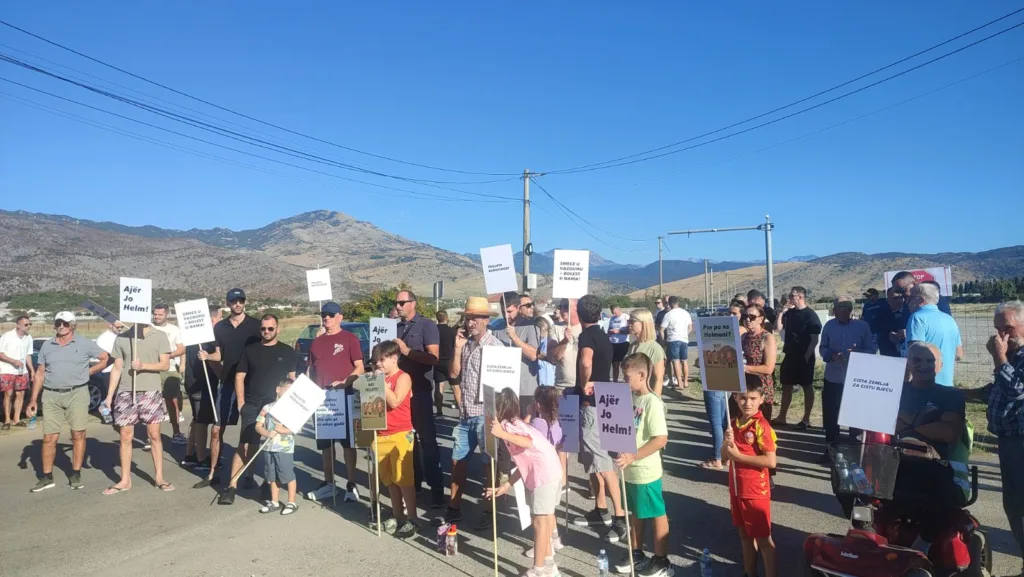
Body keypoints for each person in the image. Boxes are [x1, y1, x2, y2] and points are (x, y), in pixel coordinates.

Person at [434, 296, 502, 527]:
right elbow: (453, 374)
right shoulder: (465, 344)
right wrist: (457, 348)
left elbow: (504, 386)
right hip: (466, 415)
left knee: (488, 464)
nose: (469, 323)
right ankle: (454, 508)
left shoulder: (496, 347)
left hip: (486, 414)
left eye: (474, 319)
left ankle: (489, 510)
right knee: (457, 461)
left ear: (485, 320)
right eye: (467, 318)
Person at [893, 342, 967, 551]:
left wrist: (906, 421)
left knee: (945, 492)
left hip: (932, 462)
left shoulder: (951, 395)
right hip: (891, 458)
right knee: (848, 478)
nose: (923, 365)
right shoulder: (894, 389)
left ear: (940, 366)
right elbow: (878, 422)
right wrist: (928, 422)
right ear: (908, 363)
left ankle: (923, 544)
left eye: (930, 360)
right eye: (917, 360)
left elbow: (948, 433)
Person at [218, 314, 297, 505]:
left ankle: (268, 485)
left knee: (273, 448)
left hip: (277, 407)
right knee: (246, 444)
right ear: (259, 329)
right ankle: (232, 486)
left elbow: (292, 380)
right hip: (252, 405)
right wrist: (241, 403)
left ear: (278, 328)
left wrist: (292, 408)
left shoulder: (288, 352)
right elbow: (239, 376)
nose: (267, 332)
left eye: (271, 328)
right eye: (263, 329)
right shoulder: (250, 351)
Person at [26, 312, 109, 492]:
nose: (61, 326)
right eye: (58, 323)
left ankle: (75, 473)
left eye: (64, 323)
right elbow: (40, 373)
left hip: (77, 393)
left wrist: (89, 372)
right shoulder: (48, 345)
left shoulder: (85, 344)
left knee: (78, 434)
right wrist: (33, 399)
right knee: (49, 437)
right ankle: (47, 477)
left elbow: (105, 358)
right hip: (51, 395)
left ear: (72, 325)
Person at [486, 387, 563, 577]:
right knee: (542, 521)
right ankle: (549, 565)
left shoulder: (508, 427)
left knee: (539, 522)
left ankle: (538, 569)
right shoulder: (515, 424)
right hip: (545, 471)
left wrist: (501, 434)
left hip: (544, 474)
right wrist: (506, 486)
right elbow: (523, 462)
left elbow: (528, 443)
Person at [970, 300, 1024, 570]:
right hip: (1008, 440)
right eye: (998, 329)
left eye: (1009, 328)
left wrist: (998, 356)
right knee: (1014, 506)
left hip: (1021, 441)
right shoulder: (1013, 355)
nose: (1002, 336)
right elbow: (998, 390)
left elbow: (1016, 389)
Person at [572, 294, 627, 544]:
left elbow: (585, 361)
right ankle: (600, 508)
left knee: (603, 463)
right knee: (592, 461)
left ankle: (620, 517)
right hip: (606, 400)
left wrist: (584, 384)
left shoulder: (587, 336)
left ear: (579, 313)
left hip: (593, 405)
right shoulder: (603, 333)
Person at [612, 354, 672, 577]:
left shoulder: (652, 402)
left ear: (642, 375)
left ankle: (661, 560)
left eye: (626, 377)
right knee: (637, 513)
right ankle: (636, 552)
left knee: (657, 513)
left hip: (645, 470)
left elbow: (660, 439)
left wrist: (633, 456)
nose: (623, 381)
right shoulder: (631, 398)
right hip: (629, 470)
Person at [194, 288, 261, 489]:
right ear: (228, 304)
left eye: (241, 300)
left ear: (245, 302)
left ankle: (249, 475)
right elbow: (219, 355)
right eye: (234, 301)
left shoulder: (256, 326)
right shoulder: (221, 327)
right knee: (216, 430)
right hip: (228, 384)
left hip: (251, 384)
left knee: (250, 431)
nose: (237, 304)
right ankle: (212, 473)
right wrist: (207, 356)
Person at [103, 322, 174, 495]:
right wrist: (110, 395)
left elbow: (164, 364)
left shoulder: (159, 336)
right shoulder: (122, 337)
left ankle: (159, 478)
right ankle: (125, 480)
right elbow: (117, 367)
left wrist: (144, 366)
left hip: (151, 391)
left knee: (154, 435)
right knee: (125, 436)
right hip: (126, 391)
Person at [305, 302, 365, 503]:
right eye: (324, 314)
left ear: (340, 316)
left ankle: (351, 484)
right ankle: (329, 483)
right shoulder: (316, 342)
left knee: (348, 443)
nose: (327, 318)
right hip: (322, 400)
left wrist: (345, 382)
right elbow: (311, 370)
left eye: (331, 314)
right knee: (326, 444)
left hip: (344, 397)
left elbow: (359, 367)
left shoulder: (350, 339)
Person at [392, 290, 444, 507]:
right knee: (406, 441)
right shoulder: (395, 327)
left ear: (413, 303)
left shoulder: (426, 325)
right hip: (399, 395)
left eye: (402, 302)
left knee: (427, 441)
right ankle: (414, 485)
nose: (398, 306)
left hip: (420, 392)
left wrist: (407, 351)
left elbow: (433, 358)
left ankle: (437, 491)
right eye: (396, 303)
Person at [723, 377, 778, 577]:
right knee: (744, 535)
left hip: (755, 490)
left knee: (763, 539)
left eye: (753, 398)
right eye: (743, 398)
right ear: (736, 398)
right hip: (736, 488)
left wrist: (739, 456)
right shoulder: (733, 423)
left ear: (762, 398)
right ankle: (749, 572)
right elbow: (723, 456)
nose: (748, 403)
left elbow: (771, 462)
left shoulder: (761, 426)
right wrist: (726, 443)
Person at [819, 296, 877, 462]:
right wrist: (831, 355)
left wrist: (857, 355)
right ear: (834, 309)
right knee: (831, 416)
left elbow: (871, 349)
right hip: (833, 377)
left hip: (855, 379)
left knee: (855, 418)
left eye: (847, 306)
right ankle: (830, 451)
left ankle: (855, 453)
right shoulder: (829, 326)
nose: (844, 310)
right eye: (840, 306)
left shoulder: (862, 326)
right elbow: (823, 347)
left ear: (851, 309)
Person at [372, 340, 418, 538]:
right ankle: (397, 515)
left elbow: (395, 401)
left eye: (382, 360)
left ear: (394, 358)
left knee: (403, 479)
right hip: (380, 433)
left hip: (400, 433)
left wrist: (380, 382)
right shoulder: (377, 377)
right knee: (389, 479)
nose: (378, 364)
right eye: (376, 361)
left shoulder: (403, 377)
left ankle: (413, 519)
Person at [181, 304, 222, 469]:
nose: (221, 322)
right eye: (220, 318)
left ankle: (190, 453)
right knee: (202, 422)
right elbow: (210, 363)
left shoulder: (194, 339)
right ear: (212, 320)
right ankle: (201, 458)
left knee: (197, 420)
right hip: (200, 385)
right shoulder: (206, 340)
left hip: (195, 384)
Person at [774, 286, 821, 429]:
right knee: (786, 385)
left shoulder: (810, 315)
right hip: (790, 354)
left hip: (805, 356)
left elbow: (814, 339)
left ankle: (806, 419)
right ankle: (782, 416)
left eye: (792, 295)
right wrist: (782, 312)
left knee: (807, 386)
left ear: (800, 297)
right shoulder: (790, 313)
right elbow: (778, 328)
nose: (789, 297)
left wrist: (807, 356)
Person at [491, 291, 541, 412]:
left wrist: (515, 338)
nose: (506, 316)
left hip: (525, 389)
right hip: (502, 388)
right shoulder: (496, 328)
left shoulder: (531, 327)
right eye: (503, 312)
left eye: (509, 312)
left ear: (518, 308)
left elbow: (533, 355)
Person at [254, 378, 298, 515]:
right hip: (268, 447)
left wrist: (283, 430)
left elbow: (296, 428)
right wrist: (267, 433)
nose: (288, 393)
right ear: (278, 389)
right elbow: (258, 426)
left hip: (284, 448)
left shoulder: (292, 409)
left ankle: (292, 502)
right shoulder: (267, 408)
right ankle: (275, 501)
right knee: (271, 475)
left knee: (287, 474)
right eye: (286, 390)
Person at [906, 283, 963, 387]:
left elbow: (914, 354)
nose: (907, 302)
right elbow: (959, 354)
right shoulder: (950, 319)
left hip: (924, 384)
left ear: (920, 300)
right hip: (947, 384)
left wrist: (906, 383)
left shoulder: (917, 318)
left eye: (910, 298)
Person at [151, 304, 186, 444]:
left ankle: (176, 432)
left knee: (172, 402)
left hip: (170, 369)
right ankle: (152, 436)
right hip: (151, 369)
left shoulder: (174, 330)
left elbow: (181, 348)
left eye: (160, 314)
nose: (157, 317)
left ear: (166, 314)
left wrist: (167, 356)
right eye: (155, 314)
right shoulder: (148, 328)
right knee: (152, 403)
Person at [1, 315, 35, 430]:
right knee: (8, 394)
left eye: (30, 324)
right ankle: (7, 420)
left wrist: (32, 370)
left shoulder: (28, 337)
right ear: (18, 325)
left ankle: (17, 419)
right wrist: (13, 361)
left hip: (22, 371)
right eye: (26, 324)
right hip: (7, 370)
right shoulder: (7, 336)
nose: (28, 326)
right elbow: (0, 354)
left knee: (20, 395)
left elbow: (28, 355)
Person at [627, 309, 666, 396]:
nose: (629, 324)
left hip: (647, 399)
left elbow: (658, 380)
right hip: (634, 398)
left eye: (632, 321)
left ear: (644, 323)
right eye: (628, 321)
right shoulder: (633, 346)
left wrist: (655, 402)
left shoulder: (655, 348)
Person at [546, 298, 580, 392]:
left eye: (566, 306)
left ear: (577, 308)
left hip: (583, 386)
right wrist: (564, 341)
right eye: (560, 307)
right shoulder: (555, 328)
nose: (562, 310)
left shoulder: (585, 327)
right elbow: (552, 357)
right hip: (562, 387)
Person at [660, 296, 693, 389]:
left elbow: (662, 330)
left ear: (670, 304)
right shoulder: (686, 313)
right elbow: (690, 327)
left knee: (675, 361)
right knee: (684, 361)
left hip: (673, 339)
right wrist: (685, 334)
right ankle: (685, 381)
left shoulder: (668, 315)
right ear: (678, 303)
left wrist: (663, 341)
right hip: (684, 339)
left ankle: (679, 382)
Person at [435, 310, 457, 416]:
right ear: (447, 318)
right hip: (450, 362)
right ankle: (462, 412)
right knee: (455, 386)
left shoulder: (433, 330)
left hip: (437, 361)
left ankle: (439, 412)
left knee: (439, 387)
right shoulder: (451, 331)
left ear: (437, 318)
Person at [877, 287, 907, 358]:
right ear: (888, 300)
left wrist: (907, 333)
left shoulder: (911, 312)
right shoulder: (881, 315)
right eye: (895, 298)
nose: (899, 300)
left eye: (901, 297)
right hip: (890, 354)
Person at [608, 305, 631, 382]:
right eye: (612, 313)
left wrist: (619, 331)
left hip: (623, 343)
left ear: (619, 309)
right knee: (615, 364)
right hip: (613, 343)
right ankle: (615, 382)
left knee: (624, 364)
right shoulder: (612, 318)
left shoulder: (626, 317)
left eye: (615, 313)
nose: (614, 315)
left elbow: (630, 331)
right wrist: (609, 332)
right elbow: (609, 329)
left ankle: (627, 381)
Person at [534, 316, 557, 387]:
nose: (543, 334)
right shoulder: (534, 342)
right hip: (539, 382)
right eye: (543, 331)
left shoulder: (551, 342)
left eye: (546, 330)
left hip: (550, 382)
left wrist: (543, 356)